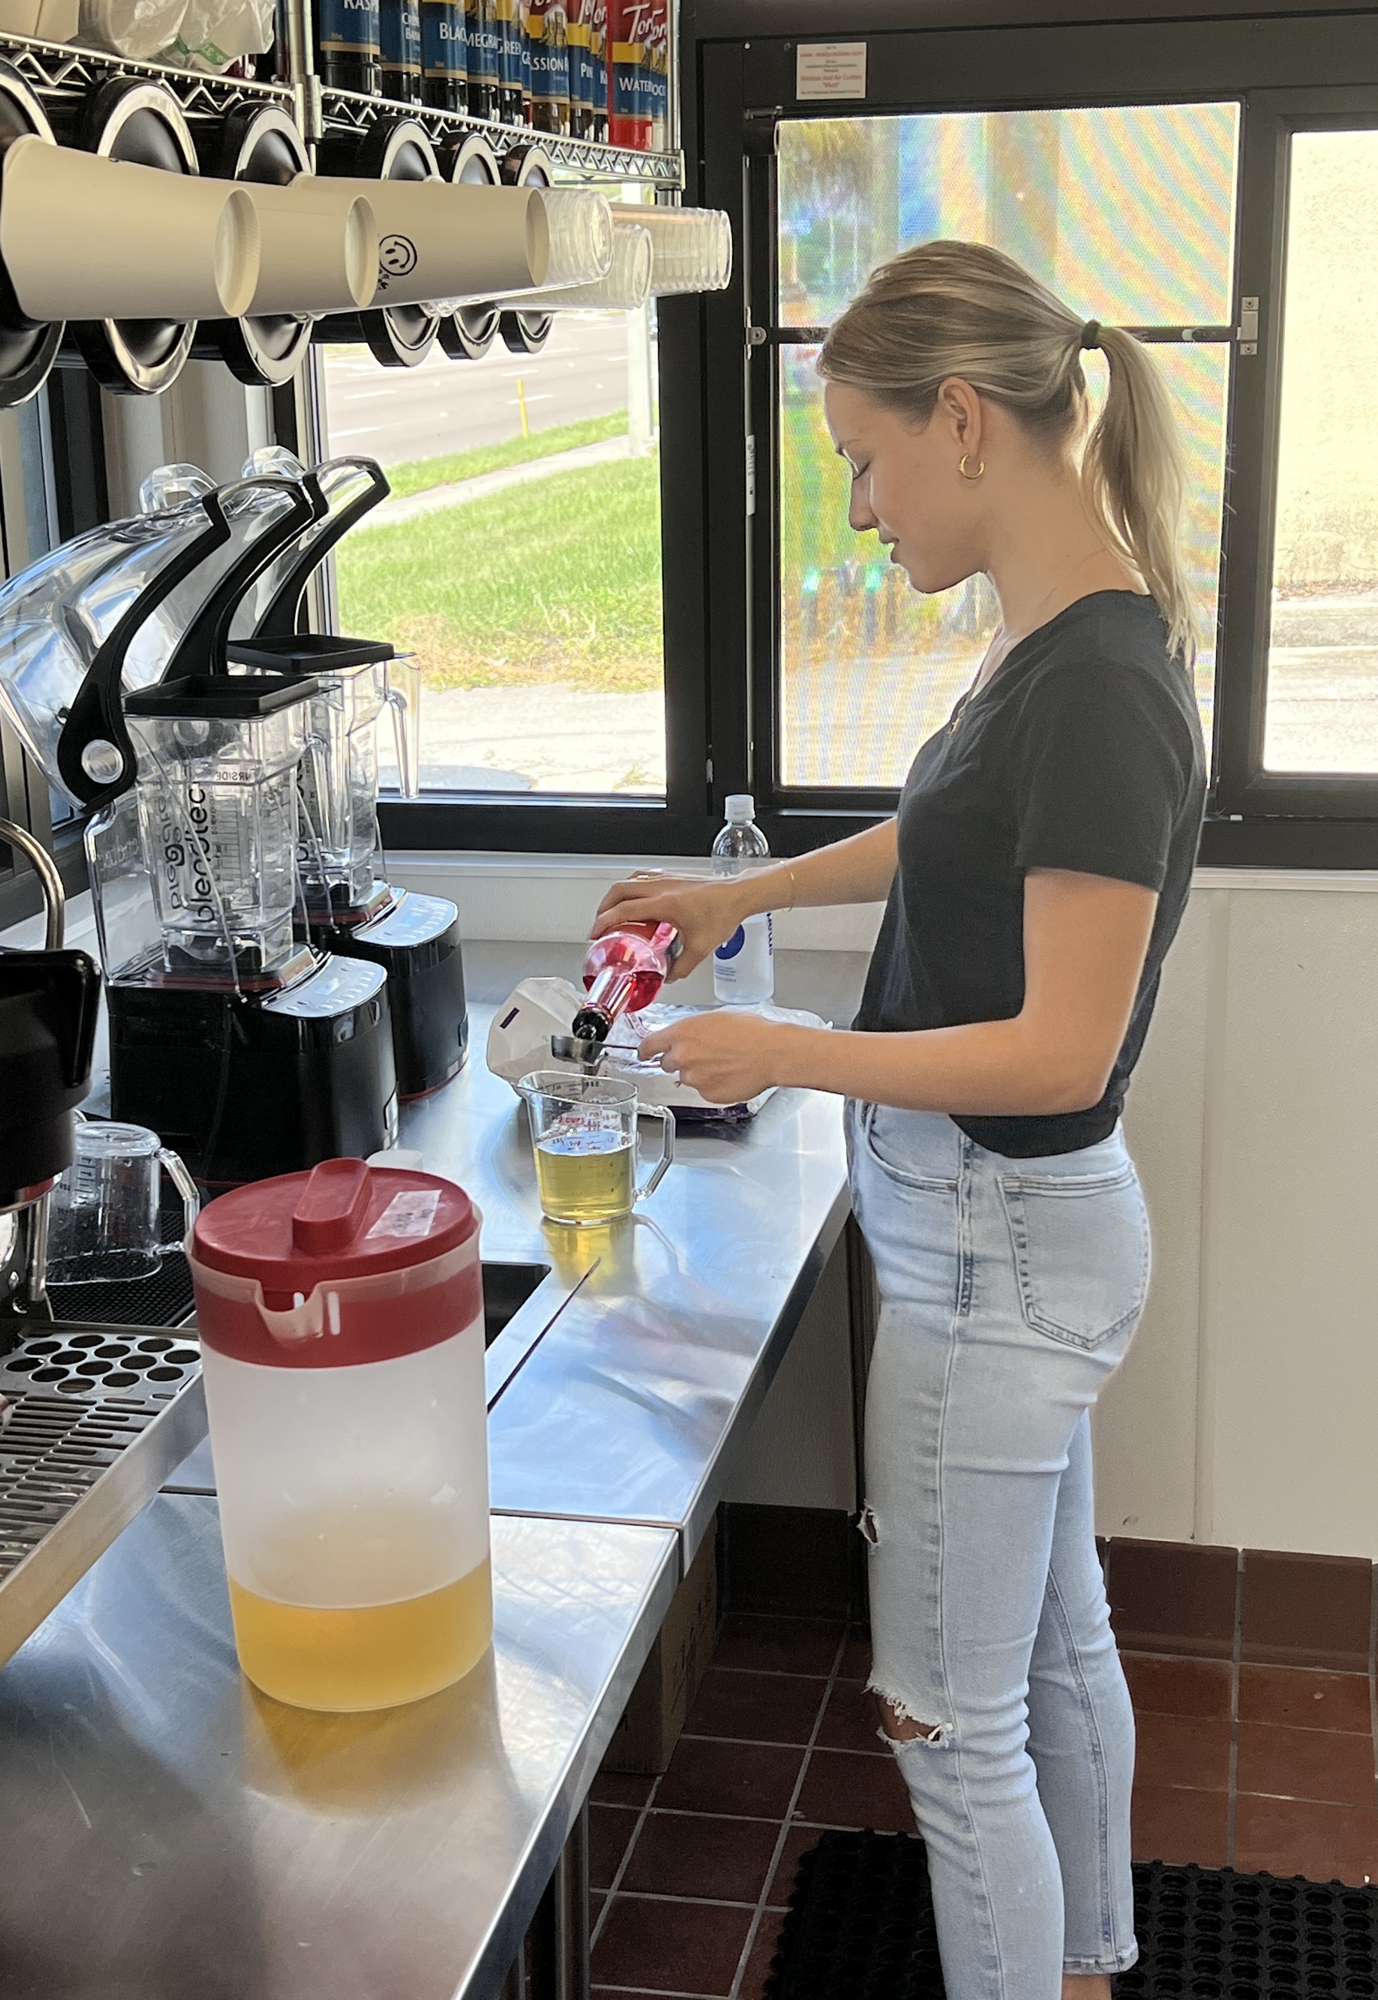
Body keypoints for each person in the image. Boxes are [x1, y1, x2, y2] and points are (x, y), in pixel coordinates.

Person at [592, 240, 1207, 2000]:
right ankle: (1086, 1975)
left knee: (950, 1729)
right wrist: (747, 898)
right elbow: (944, 840)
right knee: (1059, 1657)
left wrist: (784, 1049)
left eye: (860, 455)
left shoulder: (1094, 686)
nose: (858, 507)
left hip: (998, 1249)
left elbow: (1057, 1056)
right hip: (1009, 1243)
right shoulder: (1061, 648)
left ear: (961, 423)